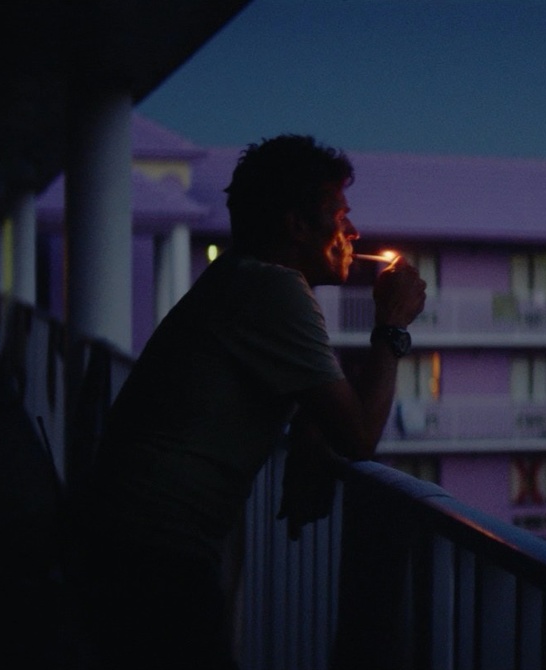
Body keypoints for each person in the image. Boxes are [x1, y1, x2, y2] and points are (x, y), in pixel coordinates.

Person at [70, 134, 426, 669]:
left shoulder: (240, 279)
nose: (353, 232)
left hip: (118, 539)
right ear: (295, 225)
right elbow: (359, 437)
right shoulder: (276, 290)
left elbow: (295, 389)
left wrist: (310, 424)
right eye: (339, 215)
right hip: (154, 558)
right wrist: (392, 326)